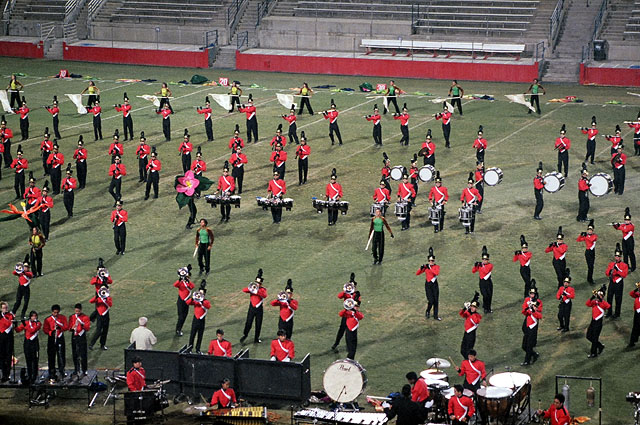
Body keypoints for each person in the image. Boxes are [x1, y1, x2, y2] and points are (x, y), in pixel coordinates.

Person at [332, 273, 361, 351]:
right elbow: (339, 296)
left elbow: (358, 304)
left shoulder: (357, 294)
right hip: (346, 314)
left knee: (350, 332)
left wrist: (355, 300)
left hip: (352, 315)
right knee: (341, 329)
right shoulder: (346, 293)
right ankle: (336, 343)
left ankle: (349, 347)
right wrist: (345, 291)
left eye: (354, 287)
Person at [241, 269, 267, 344]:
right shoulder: (252, 288)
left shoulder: (262, 289)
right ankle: (245, 334)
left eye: (259, 283)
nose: (257, 284)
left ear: (261, 284)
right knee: (248, 322)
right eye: (256, 282)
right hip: (251, 308)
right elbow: (244, 290)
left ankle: (256, 338)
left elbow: (264, 295)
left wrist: (257, 291)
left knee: (258, 324)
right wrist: (251, 288)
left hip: (259, 309)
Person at [43, 304, 67, 381]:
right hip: (51, 339)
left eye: (57, 312)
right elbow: (45, 329)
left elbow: (66, 326)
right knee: (51, 356)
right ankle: (51, 372)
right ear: (52, 312)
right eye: (54, 312)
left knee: (61, 355)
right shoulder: (48, 319)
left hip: (60, 337)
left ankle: (62, 370)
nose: (55, 314)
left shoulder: (62, 318)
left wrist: (61, 327)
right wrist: (51, 332)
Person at [15, 310, 41, 384]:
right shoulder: (26, 323)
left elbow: (32, 330)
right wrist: (15, 325)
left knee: (34, 360)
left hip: (34, 343)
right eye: (33, 316)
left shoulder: (38, 323)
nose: (34, 317)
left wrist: (24, 324)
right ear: (30, 317)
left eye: (35, 316)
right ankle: (29, 375)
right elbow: (18, 330)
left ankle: (34, 376)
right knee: (28, 360)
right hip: (27, 343)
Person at [605, 243, 629, 319]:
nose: (617, 257)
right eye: (616, 256)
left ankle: (617, 313)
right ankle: (609, 312)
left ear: (620, 257)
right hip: (612, 282)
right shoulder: (611, 264)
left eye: (618, 256)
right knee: (609, 297)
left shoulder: (624, 265)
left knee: (618, 299)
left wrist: (617, 270)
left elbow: (624, 275)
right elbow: (607, 273)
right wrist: (610, 271)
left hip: (619, 283)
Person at [586, 285, 610, 358]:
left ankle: (594, 353)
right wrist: (592, 297)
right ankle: (600, 346)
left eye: (600, 295)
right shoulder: (594, 302)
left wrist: (600, 299)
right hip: (593, 321)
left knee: (595, 338)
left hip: (598, 323)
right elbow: (587, 304)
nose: (598, 296)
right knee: (588, 336)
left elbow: (608, 306)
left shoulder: (603, 303)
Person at [186, 281, 210, 354]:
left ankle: (198, 349)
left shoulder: (205, 301)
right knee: (192, 334)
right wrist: (193, 298)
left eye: (202, 293)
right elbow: (187, 302)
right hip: (195, 319)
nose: (200, 294)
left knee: (200, 335)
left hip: (202, 320)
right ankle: (190, 348)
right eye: (199, 293)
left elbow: (208, 306)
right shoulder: (196, 301)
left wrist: (202, 302)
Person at [416, 248, 440, 320]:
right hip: (428, 285)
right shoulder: (426, 267)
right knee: (431, 300)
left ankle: (435, 316)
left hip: (435, 285)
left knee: (436, 301)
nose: (431, 262)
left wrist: (430, 268)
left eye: (432, 261)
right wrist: (421, 268)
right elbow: (417, 273)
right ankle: (428, 311)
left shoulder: (436, 267)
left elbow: (436, 273)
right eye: (430, 261)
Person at [68, 303, 90, 377]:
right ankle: (76, 369)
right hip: (74, 336)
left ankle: (84, 370)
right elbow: (69, 328)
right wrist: (72, 327)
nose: (77, 312)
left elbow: (87, 328)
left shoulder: (85, 317)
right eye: (76, 311)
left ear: (81, 310)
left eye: (78, 311)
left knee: (83, 354)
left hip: (82, 336)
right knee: (75, 353)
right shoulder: (72, 317)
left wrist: (82, 323)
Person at [521, 290, 542, 366]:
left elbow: (539, 315)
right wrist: (528, 309)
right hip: (527, 325)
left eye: (533, 294)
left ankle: (527, 361)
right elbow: (523, 311)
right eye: (531, 293)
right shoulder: (527, 300)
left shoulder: (538, 302)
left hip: (533, 326)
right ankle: (534, 354)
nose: (532, 295)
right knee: (524, 346)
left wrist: (533, 310)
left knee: (529, 345)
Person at [89, 285, 112, 350]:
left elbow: (110, 304)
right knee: (98, 331)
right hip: (100, 315)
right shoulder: (98, 298)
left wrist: (106, 299)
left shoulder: (108, 298)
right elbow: (91, 301)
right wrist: (96, 296)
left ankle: (102, 345)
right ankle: (91, 344)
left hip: (106, 315)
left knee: (105, 331)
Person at [613, 208, 636, 272]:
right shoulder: (624, 225)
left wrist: (619, 226)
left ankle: (633, 267)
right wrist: (615, 225)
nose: (626, 221)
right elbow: (618, 228)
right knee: (625, 254)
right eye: (625, 220)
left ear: (630, 220)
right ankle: (626, 266)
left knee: (631, 254)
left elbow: (625, 230)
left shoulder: (631, 226)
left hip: (630, 241)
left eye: (628, 220)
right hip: (624, 241)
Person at [174, 264, 194, 336]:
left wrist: (188, 281)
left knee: (185, 315)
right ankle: (178, 330)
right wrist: (180, 279)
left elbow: (192, 287)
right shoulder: (181, 282)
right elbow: (175, 285)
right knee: (181, 317)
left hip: (187, 302)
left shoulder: (188, 283)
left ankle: (179, 328)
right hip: (181, 301)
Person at [472, 247, 493, 313]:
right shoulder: (480, 265)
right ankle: (485, 307)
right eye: (483, 259)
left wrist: (481, 265)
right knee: (485, 295)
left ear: (488, 260)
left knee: (489, 296)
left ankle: (488, 308)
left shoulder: (490, 265)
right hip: (482, 283)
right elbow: (473, 271)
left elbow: (486, 271)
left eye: (486, 259)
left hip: (488, 282)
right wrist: (475, 266)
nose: (484, 261)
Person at [577, 220, 597, 284]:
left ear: (593, 230)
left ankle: (589, 278)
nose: (589, 231)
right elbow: (578, 240)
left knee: (592, 266)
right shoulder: (586, 236)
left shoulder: (594, 236)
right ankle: (590, 279)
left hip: (592, 252)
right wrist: (581, 235)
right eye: (588, 230)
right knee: (590, 266)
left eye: (591, 230)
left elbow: (591, 240)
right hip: (588, 252)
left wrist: (586, 236)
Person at [12, 255, 33, 319]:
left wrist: (23, 271)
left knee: (26, 302)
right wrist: (19, 268)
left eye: (26, 267)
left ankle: (22, 314)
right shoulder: (20, 272)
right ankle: (13, 312)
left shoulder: (29, 273)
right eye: (24, 267)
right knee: (18, 301)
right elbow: (14, 273)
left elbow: (29, 275)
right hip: (20, 288)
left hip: (26, 289)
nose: (25, 268)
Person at [0, 302, 15, 382]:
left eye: (6, 308)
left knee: (9, 356)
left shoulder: (10, 315)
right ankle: (4, 374)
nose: (5, 309)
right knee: (2, 356)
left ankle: (8, 374)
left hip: (9, 338)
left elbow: (9, 323)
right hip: (1, 337)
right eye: (3, 308)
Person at [628, 282, 640, 348]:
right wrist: (636, 289)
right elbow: (631, 294)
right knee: (635, 328)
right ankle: (632, 342)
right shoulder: (638, 295)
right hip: (637, 314)